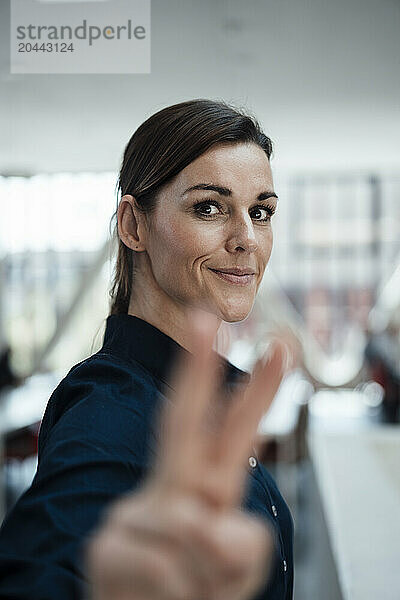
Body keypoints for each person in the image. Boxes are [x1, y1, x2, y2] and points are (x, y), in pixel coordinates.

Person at [0, 98, 294, 599]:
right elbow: (39, 576)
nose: (247, 238)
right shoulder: (107, 409)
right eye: (209, 207)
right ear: (135, 225)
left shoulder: (205, 397)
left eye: (261, 211)